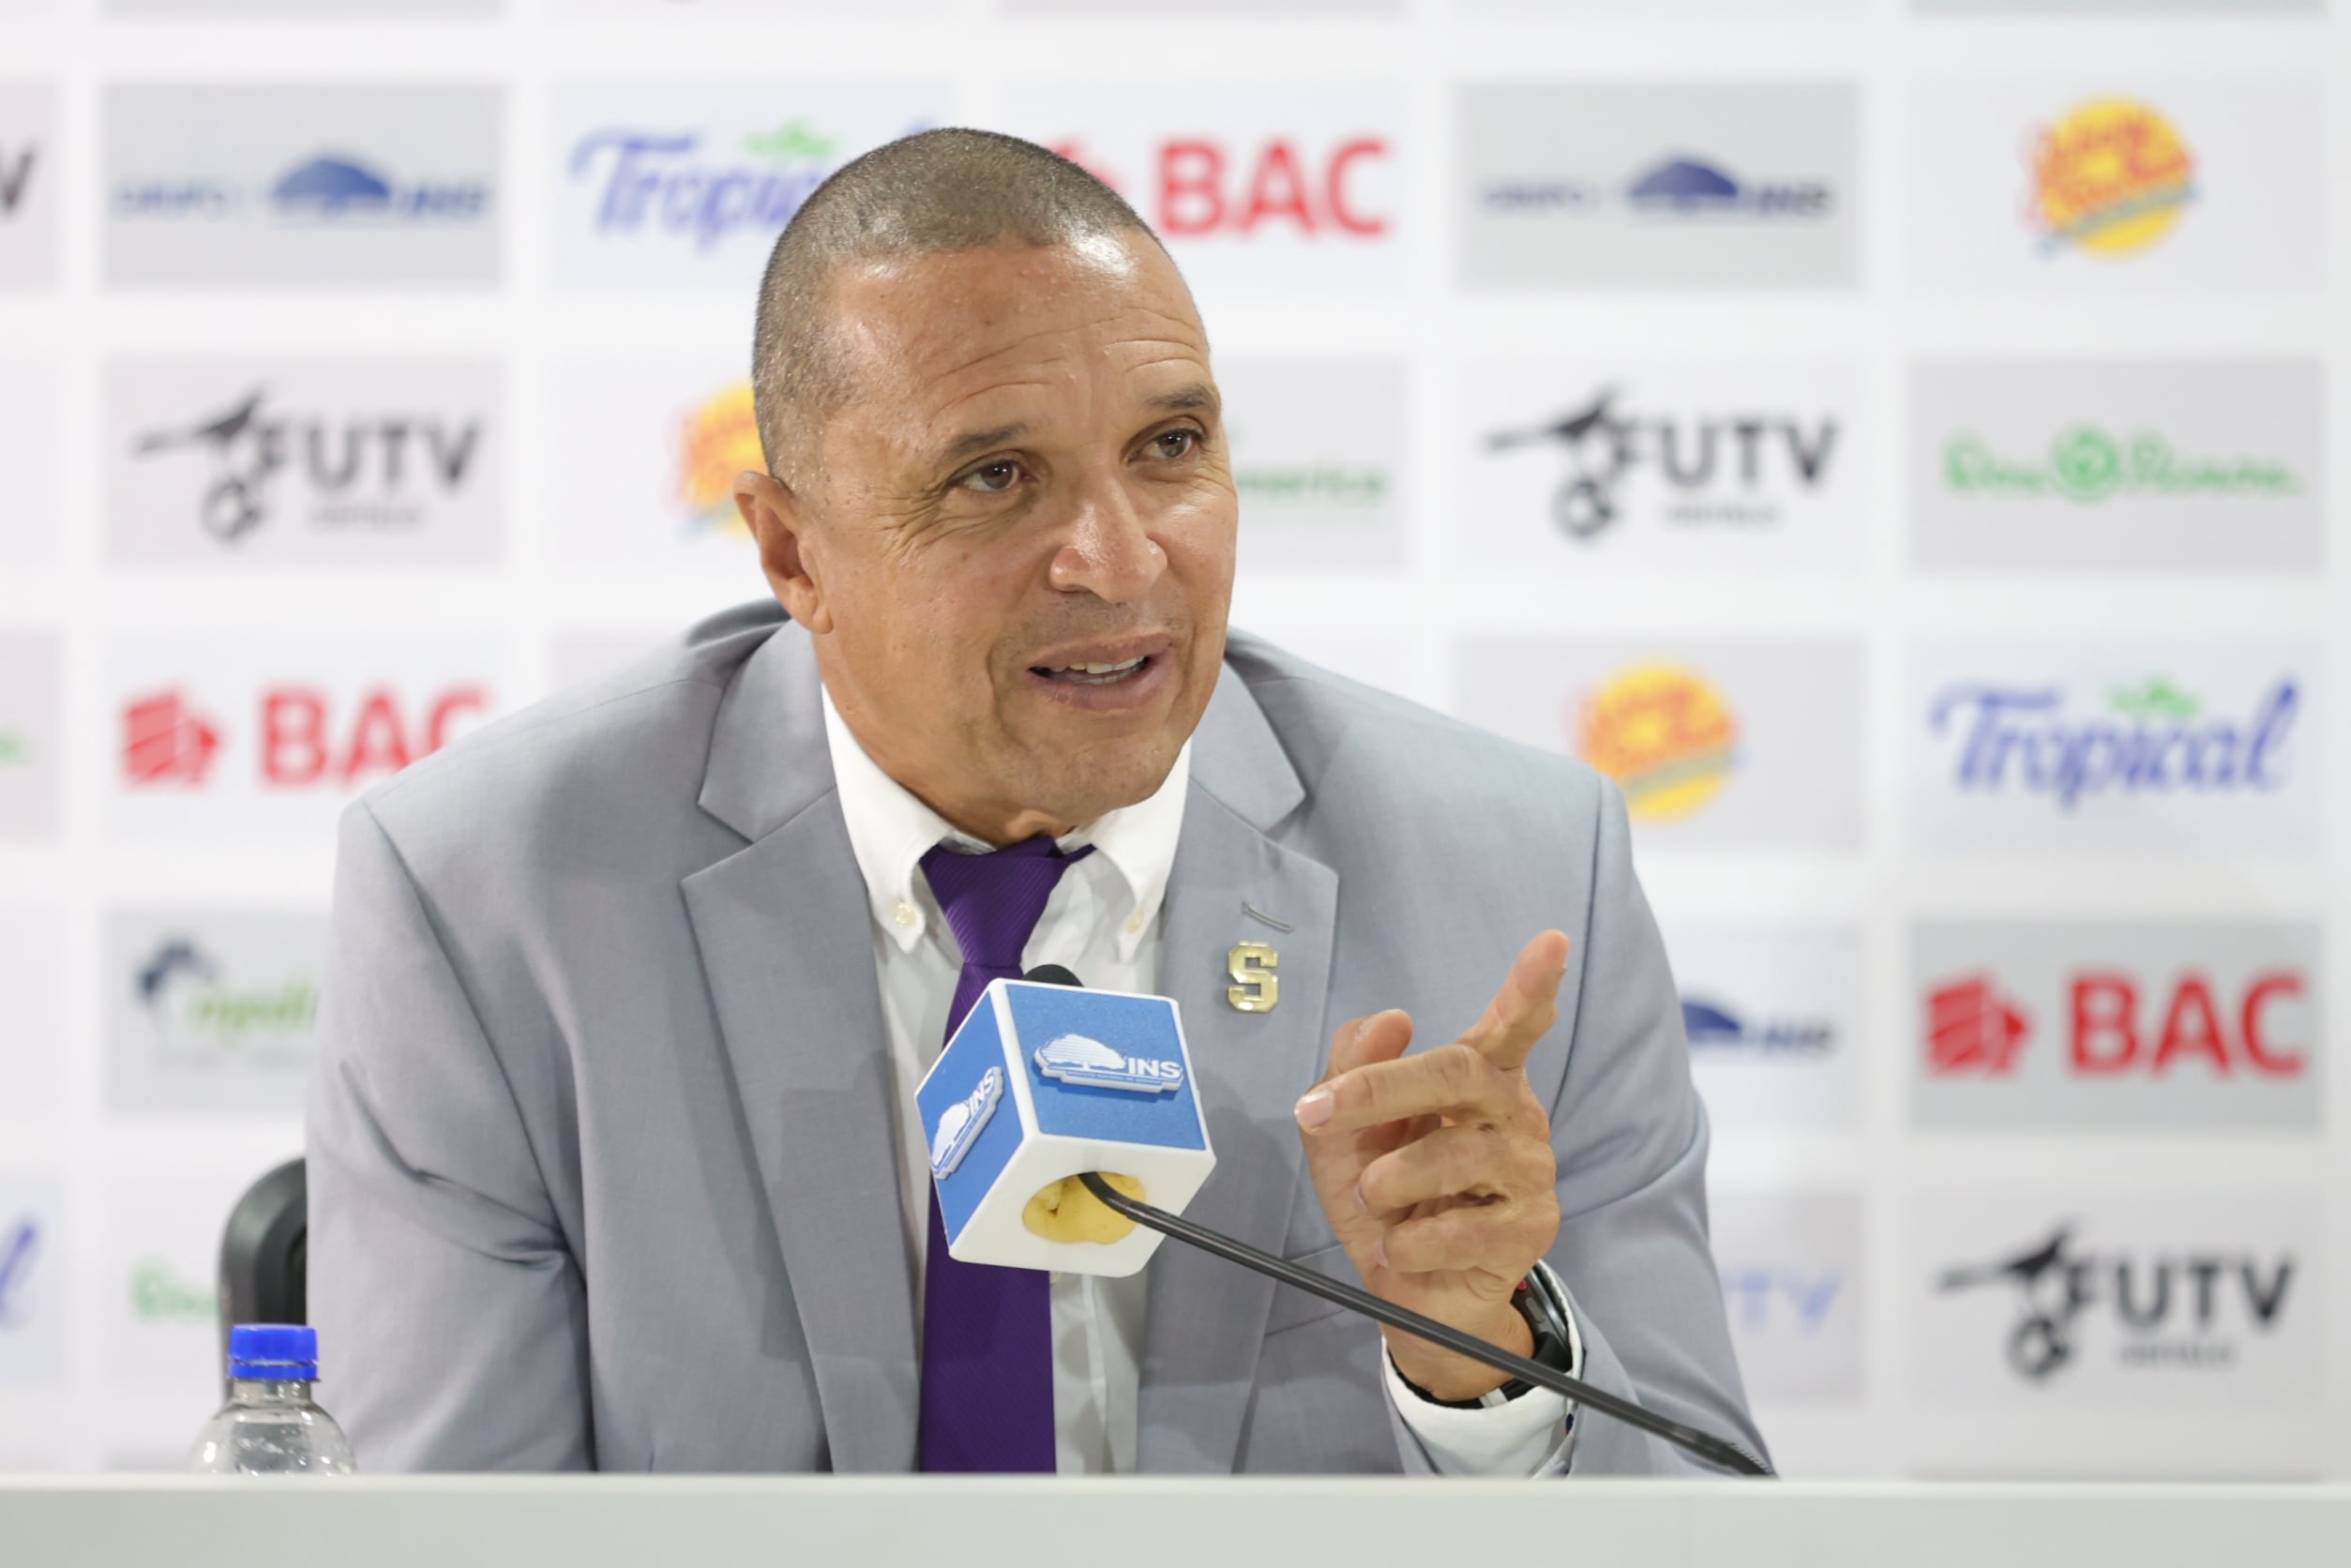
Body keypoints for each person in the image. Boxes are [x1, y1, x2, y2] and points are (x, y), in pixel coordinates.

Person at [307, 128, 1762, 1477]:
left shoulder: (1517, 881)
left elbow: (1710, 1506)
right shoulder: (488, 902)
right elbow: (446, 1534)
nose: (1119, 561)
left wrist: (1487, 1366)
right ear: (793, 553)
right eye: (998, 477)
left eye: (1171, 449)